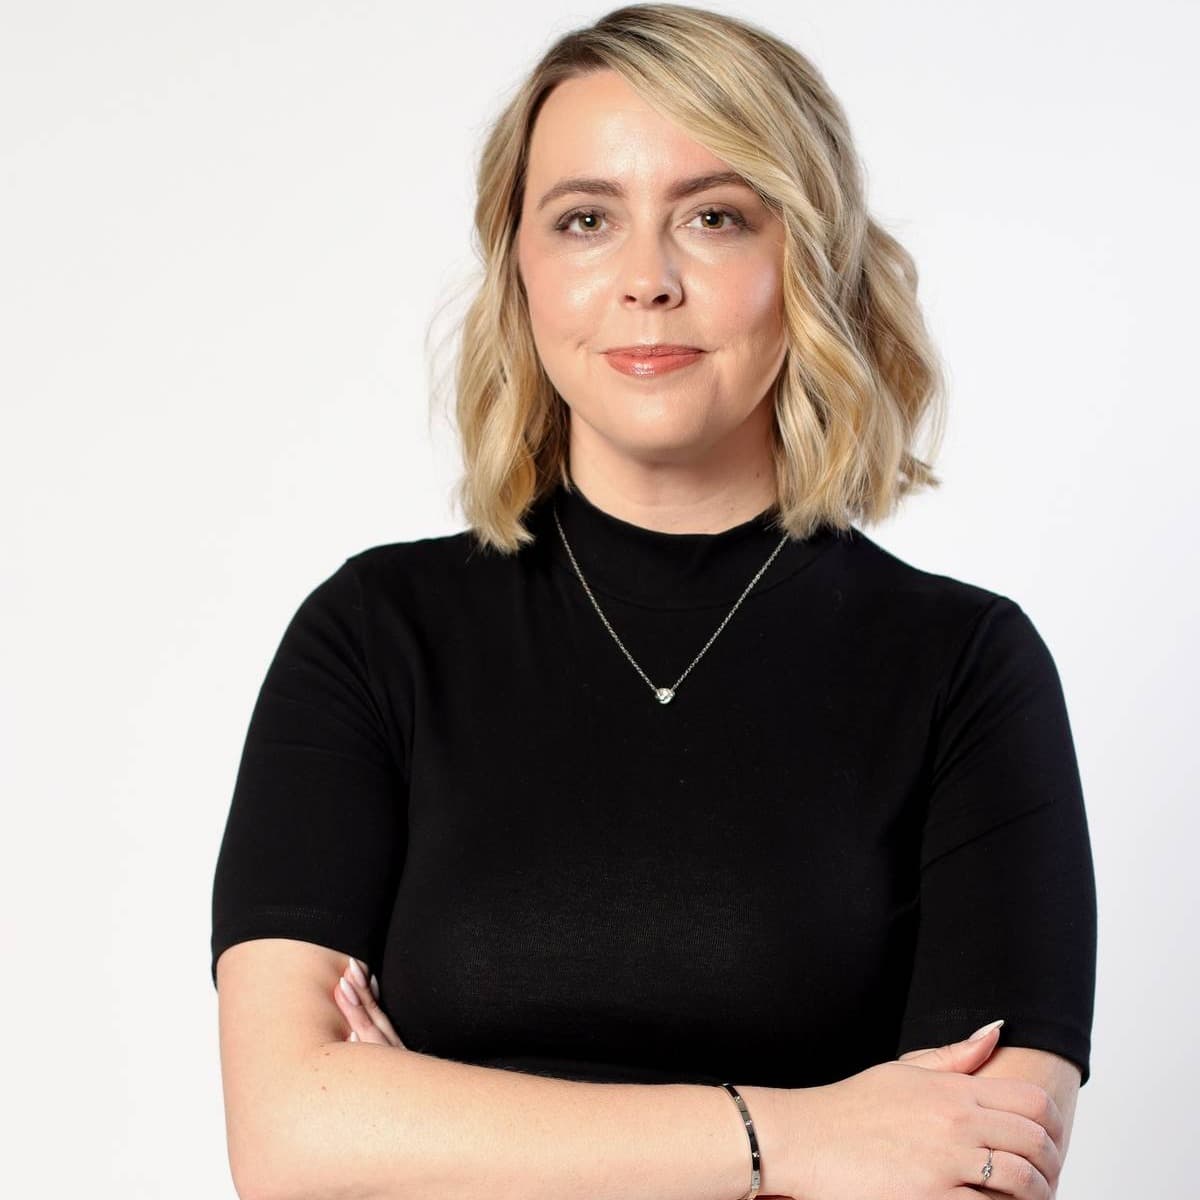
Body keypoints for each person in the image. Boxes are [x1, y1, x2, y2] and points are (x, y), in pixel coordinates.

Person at [210, 6, 1096, 1200]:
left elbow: (978, 1169)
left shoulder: (965, 666)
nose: (646, 282)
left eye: (714, 216)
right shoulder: (375, 634)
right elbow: (291, 1138)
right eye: (586, 219)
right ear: (520, 268)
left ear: (809, 257)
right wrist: (797, 1135)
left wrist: (434, 1124)